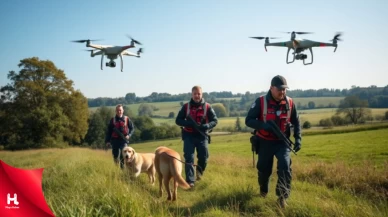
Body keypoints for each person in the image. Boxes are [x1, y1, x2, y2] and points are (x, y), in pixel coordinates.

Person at [245, 75, 301, 208]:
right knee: (264, 171)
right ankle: (263, 191)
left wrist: (298, 138)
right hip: (265, 142)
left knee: (285, 167)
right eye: (280, 89)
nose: (283, 92)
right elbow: (248, 120)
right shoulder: (260, 102)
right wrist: (264, 126)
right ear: (271, 88)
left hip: (283, 142)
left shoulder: (290, 102)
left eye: (284, 89)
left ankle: (282, 198)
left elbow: (297, 122)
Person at [175, 86, 218, 187]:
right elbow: (178, 120)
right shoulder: (186, 107)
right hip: (188, 135)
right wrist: (189, 123)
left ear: (201, 94)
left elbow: (215, 120)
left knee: (203, 157)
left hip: (202, 135)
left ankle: (199, 173)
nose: (197, 96)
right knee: (189, 158)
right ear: (192, 94)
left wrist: (206, 126)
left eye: (199, 94)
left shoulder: (208, 107)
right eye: (195, 94)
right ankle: (190, 181)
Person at [105, 104, 135, 169]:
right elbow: (109, 132)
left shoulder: (127, 119)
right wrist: (107, 141)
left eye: (120, 110)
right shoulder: (112, 120)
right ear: (115, 111)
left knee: (123, 156)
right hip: (115, 141)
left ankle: (123, 170)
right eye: (118, 110)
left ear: (123, 110)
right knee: (115, 156)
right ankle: (116, 169)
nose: (119, 112)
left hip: (124, 140)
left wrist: (129, 135)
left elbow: (132, 128)